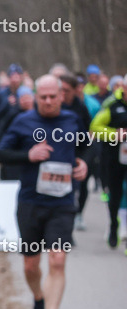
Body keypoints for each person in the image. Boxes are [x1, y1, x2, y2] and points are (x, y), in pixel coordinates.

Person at [0, 75, 89, 309]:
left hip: (62, 204)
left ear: (62, 95)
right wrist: (28, 155)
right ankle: (39, 298)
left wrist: (83, 163)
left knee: (58, 260)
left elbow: (84, 146)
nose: (48, 102)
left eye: (53, 96)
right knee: (30, 265)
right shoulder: (23, 122)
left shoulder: (72, 120)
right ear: (36, 96)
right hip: (30, 202)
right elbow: (2, 154)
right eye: (43, 97)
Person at [89, 81, 127, 249]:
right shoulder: (112, 104)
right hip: (114, 158)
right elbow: (95, 127)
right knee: (116, 194)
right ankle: (113, 224)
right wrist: (115, 135)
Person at [60, 73, 95, 229]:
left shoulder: (80, 107)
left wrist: (85, 161)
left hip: (78, 154)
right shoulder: (54, 105)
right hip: (59, 156)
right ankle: (66, 226)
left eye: (66, 90)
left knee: (81, 187)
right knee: (65, 193)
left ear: (75, 90)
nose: (62, 94)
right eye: (60, 89)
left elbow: (88, 132)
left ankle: (79, 214)